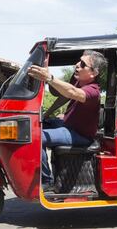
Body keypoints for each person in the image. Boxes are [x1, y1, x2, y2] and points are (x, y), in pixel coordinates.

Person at [27, 50, 107, 189]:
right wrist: (46, 115)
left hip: (79, 135)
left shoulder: (93, 91)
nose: (77, 65)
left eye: (83, 64)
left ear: (94, 73)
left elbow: (72, 92)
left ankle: (46, 180)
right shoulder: (78, 81)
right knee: (33, 126)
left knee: (37, 138)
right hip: (67, 125)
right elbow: (62, 95)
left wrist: (49, 78)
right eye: (79, 61)